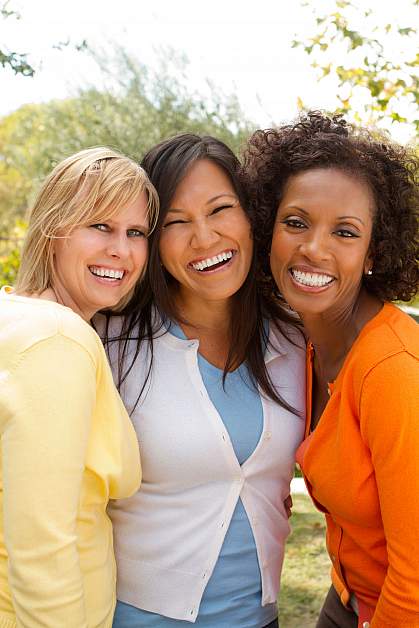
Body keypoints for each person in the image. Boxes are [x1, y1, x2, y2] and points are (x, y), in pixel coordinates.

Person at [99, 134, 306, 628]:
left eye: (220, 209)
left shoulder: (296, 339)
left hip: (260, 619)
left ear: (250, 216)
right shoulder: (109, 343)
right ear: (153, 239)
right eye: (176, 222)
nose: (205, 237)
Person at [242, 111, 419, 628]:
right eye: (295, 222)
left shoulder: (394, 372)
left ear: (372, 252)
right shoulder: (307, 343)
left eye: (345, 232)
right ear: (266, 229)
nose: (313, 249)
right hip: (349, 597)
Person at [0, 146, 159, 627]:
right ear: (53, 230)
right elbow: (41, 548)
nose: (122, 250)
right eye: (100, 226)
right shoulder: (58, 340)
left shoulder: (17, 315)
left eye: (135, 232)